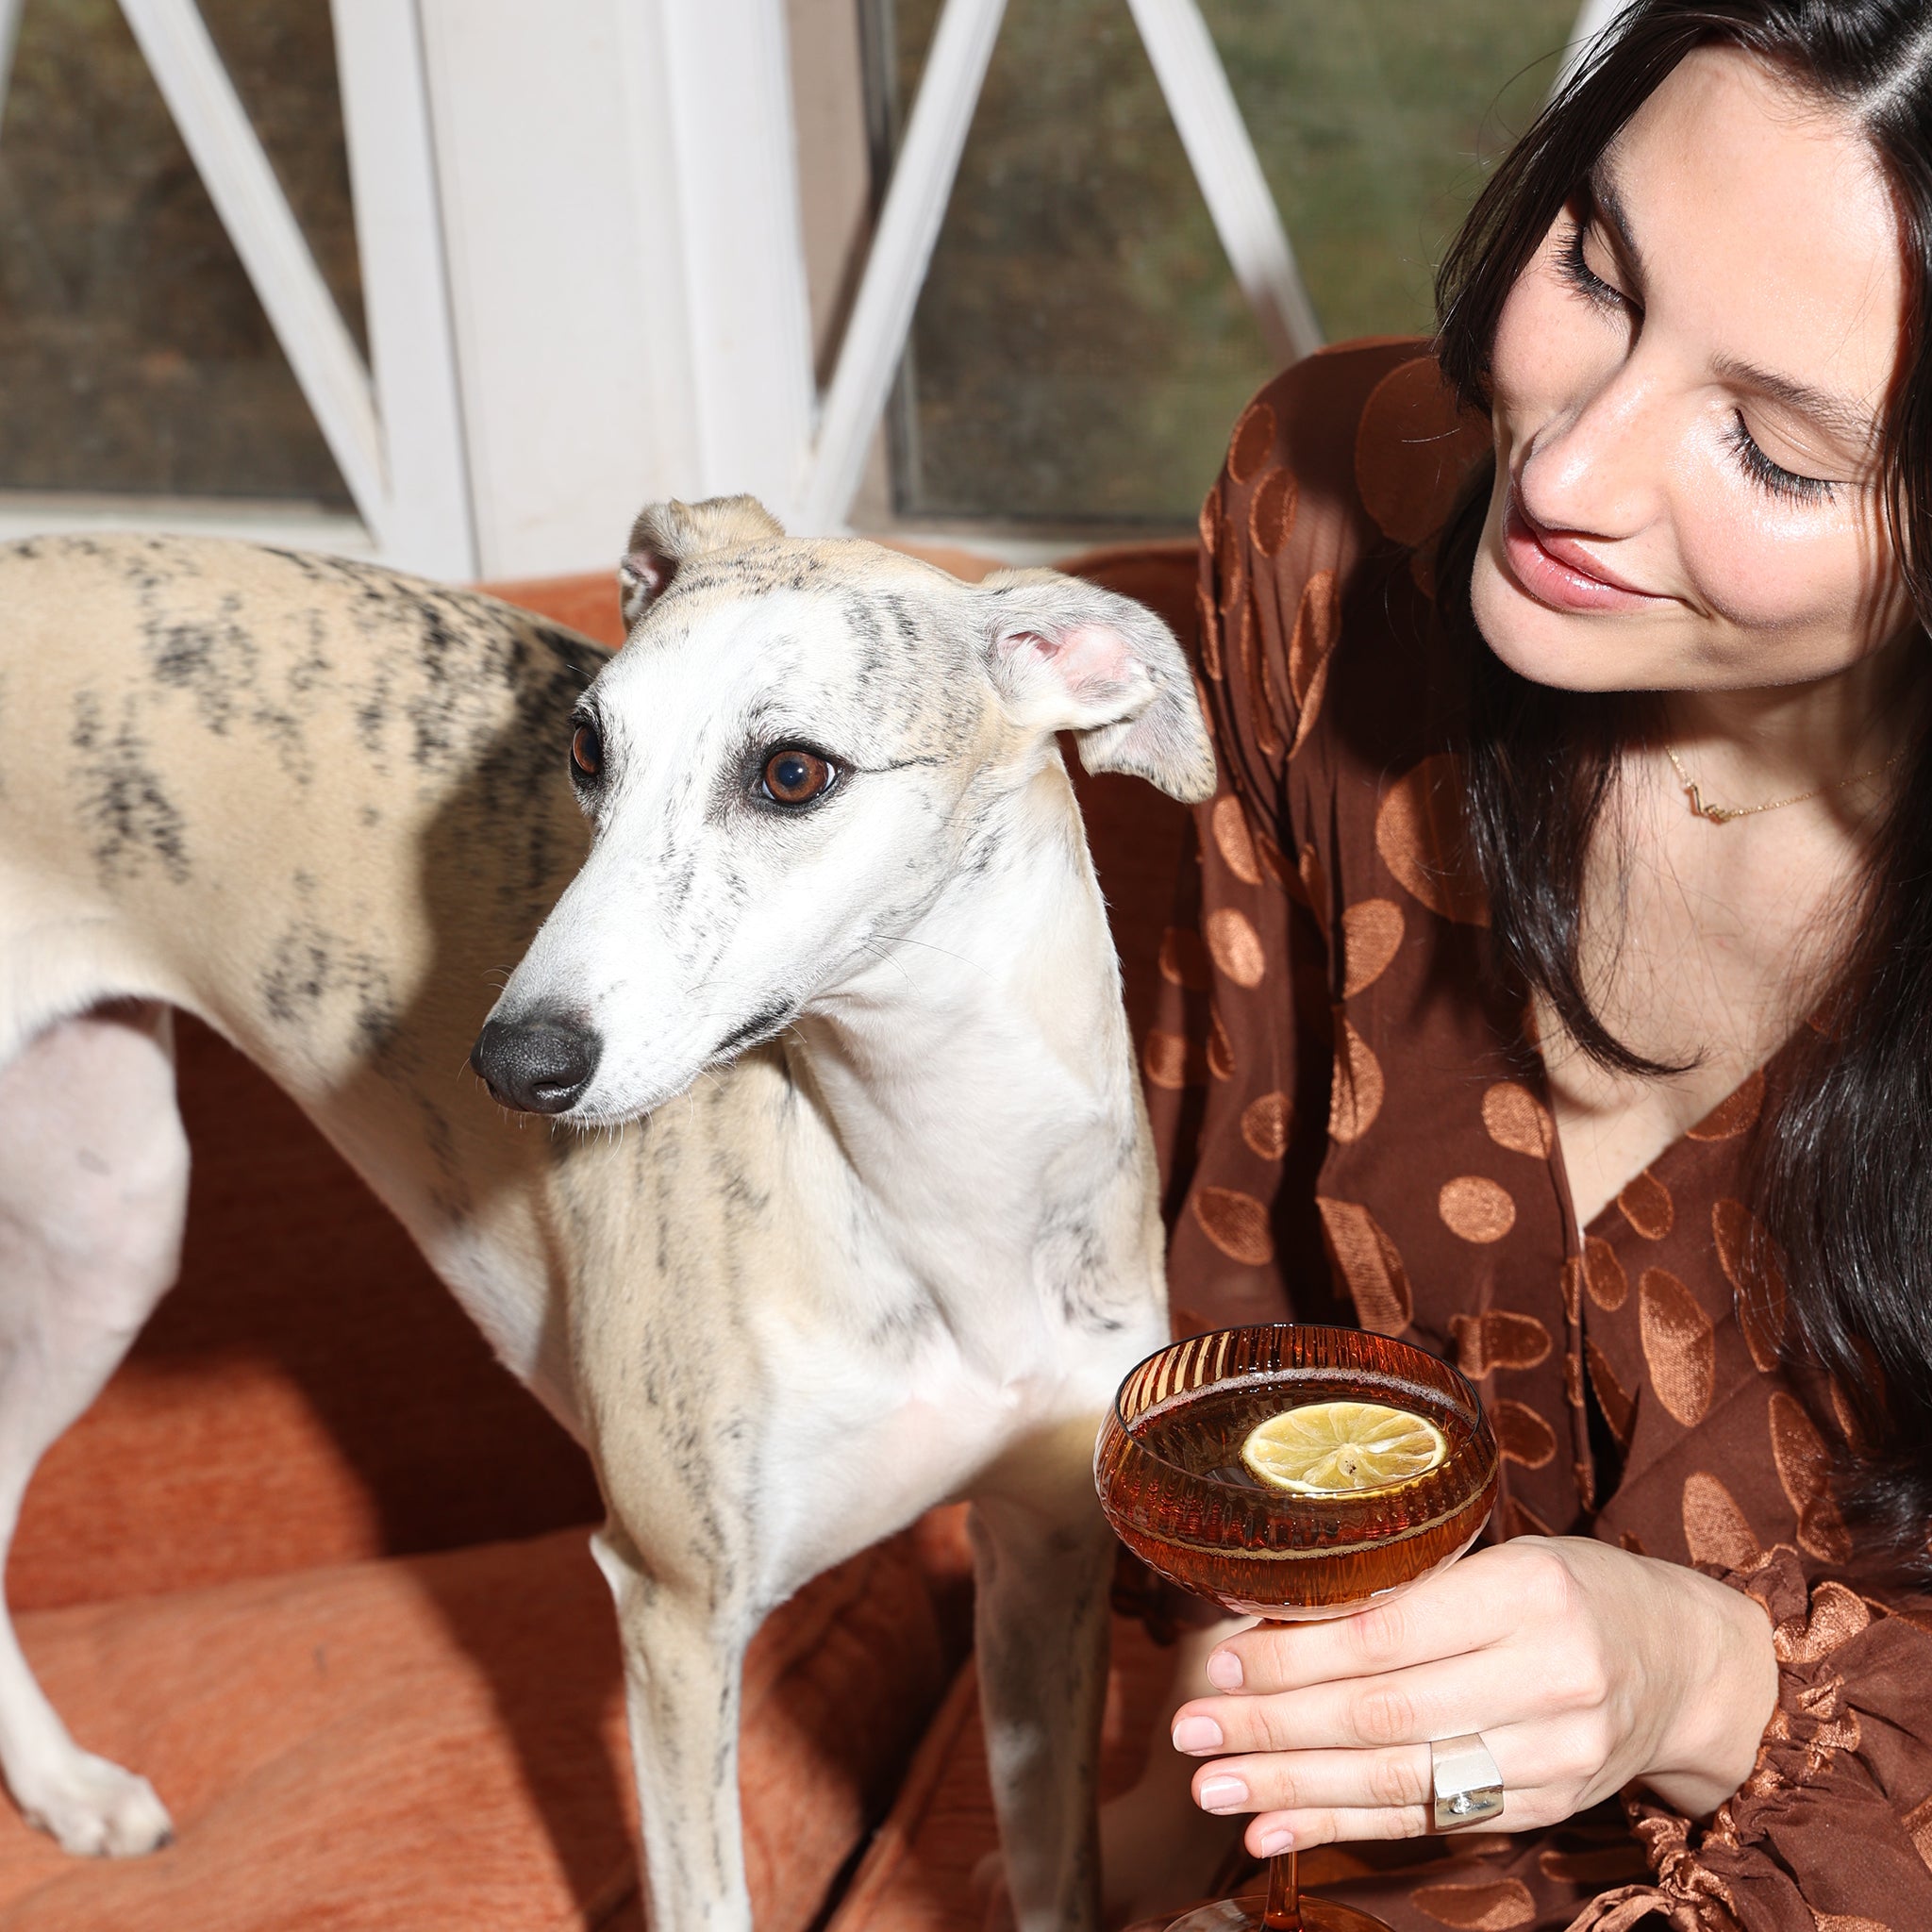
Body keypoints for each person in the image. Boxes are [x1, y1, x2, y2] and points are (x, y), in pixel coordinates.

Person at [1113, 3, 1932, 1926]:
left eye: (1775, 449)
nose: (1564, 469)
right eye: (1594, 264)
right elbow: (1197, 1313)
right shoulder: (1329, 529)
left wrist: (1698, 1676)